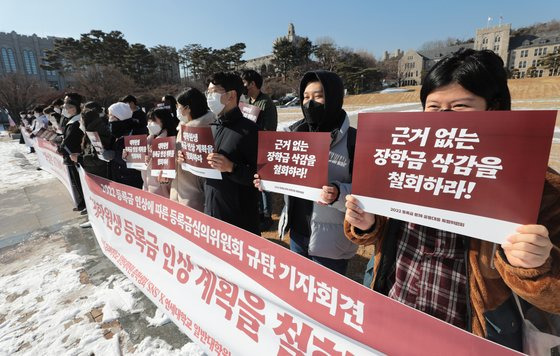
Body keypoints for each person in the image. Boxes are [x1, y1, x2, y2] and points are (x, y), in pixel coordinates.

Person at [343, 48, 560, 351]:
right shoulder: (403, 158)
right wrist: (368, 223)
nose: (443, 118)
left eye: (460, 106)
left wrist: (534, 267)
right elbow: (379, 234)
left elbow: (554, 297)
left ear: (494, 108)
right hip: (396, 308)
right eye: (433, 107)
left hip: (471, 334)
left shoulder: (540, 185)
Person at [253, 70, 357, 275]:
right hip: (298, 233)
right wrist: (267, 180)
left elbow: (366, 192)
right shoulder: (293, 136)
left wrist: (338, 193)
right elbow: (286, 175)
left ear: (335, 98)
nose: (310, 103)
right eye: (306, 97)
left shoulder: (353, 140)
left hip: (331, 241)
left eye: (318, 97)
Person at [204, 72, 260, 235]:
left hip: (239, 221)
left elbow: (260, 177)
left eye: (213, 92)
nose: (209, 97)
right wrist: (188, 160)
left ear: (231, 95)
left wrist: (232, 167)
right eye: (208, 92)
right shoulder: (212, 127)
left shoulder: (250, 130)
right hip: (212, 211)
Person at [242, 69, 278, 231]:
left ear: (253, 84)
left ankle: (267, 215)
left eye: (245, 83)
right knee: (254, 182)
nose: (243, 87)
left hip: (263, 147)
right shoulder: (247, 102)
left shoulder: (266, 103)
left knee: (264, 183)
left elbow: (269, 129)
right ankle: (258, 211)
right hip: (249, 147)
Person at [169, 87, 215, 211]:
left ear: (188, 108)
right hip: (179, 192)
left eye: (178, 106)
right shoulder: (183, 127)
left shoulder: (204, 130)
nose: (177, 110)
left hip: (195, 197)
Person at [141, 108, 177, 198]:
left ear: (164, 122)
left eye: (153, 121)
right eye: (148, 121)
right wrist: (130, 158)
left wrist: (166, 181)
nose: (149, 124)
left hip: (164, 194)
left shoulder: (172, 143)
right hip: (148, 191)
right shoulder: (148, 141)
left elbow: (174, 172)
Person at [59, 93, 86, 211]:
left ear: (77, 107)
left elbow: (70, 141)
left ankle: (85, 204)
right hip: (72, 156)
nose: (67, 110)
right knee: (76, 181)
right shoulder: (72, 120)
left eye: (70, 107)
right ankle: (82, 203)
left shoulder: (77, 121)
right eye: (65, 107)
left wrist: (62, 146)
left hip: (75, 156)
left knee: (79, 182)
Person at [107, 102, 143, 189]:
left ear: (120, 117)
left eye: (111, 116)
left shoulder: (136, 134)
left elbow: (138, 161)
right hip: (117, 179)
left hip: (131, 182)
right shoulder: (115, 134)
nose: (109, 119)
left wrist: (115, 155)